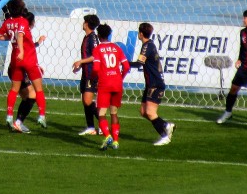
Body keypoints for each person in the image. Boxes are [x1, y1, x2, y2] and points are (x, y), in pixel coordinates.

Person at [72, 23, 130, 151]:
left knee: (101, 113)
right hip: (117, 83)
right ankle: (115, 141)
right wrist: (121, 77)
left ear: (98, 35)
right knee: (114, 112)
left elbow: (96, 68)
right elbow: (126, 67)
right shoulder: (117, 48)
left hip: (104, 83)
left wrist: (93, 79)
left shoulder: (97, 49)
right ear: (109, 35)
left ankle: (107, 135)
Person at [0, 1, 47, 132]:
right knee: (36, 92)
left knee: (16, 90)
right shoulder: (23, 22)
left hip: (14, 62)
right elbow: (20, 36)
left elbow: (2, 35)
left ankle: (10, 116)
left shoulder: (7, 22)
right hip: (27, 59)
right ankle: (40, 116)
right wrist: (22, 51)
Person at [133, 22, 175, 147]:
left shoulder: (147, 46)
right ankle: (165, 127)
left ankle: (165, 131)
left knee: (150, 112)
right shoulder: (149, 44)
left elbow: (139, 63)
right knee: (143, 112)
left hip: (155, 84)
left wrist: (123, 63)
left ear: (140, 33)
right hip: (151, 83)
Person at [77, 13, 101, 136]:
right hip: (85, 72)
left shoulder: (93, 38)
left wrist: (81, 61)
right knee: (85, 101)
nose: (83, 23)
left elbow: (96, 56)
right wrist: (80, 65)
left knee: (87, 101)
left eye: (84, 21)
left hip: (92, 73)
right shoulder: (87, 37)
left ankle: (102, 124)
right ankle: (91, 127)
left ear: (87, 24)